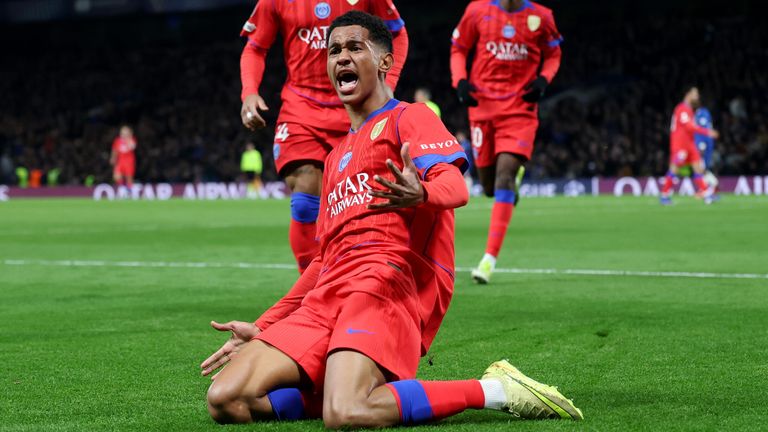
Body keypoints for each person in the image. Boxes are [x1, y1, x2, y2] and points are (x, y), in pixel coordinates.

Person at [201, 12, 582, 428]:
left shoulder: (409, 117)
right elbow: (323, 262)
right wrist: (264, 324)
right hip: (329, 294)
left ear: (385, 61)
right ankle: (342, 390)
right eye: (333, 50)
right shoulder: (335, 157)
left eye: (355, 47)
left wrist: (423, 193)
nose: (341, 57)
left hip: (384, 283)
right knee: (225, 399)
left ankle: (494, 389)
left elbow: (454, 186)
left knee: (345, 414)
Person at [239, 0, 408, 273]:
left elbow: (397, 34)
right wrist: (249, 92)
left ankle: (356, 274)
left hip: (356, 108)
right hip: (301, 108)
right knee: (305, 197)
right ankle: (312, 289)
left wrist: (387, 83)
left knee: (358, 204)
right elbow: (255, 47)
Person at [450, 0, 563, 284]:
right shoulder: (477, 11)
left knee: (505, 175)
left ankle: (488, 259)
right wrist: (460, 81)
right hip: (482, 109)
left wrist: (543, 80)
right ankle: (513, 183)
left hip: (520, 110)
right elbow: (459, 48)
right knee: (489, 187)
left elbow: (553, 54)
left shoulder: (541, 16)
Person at [660, 86, 719, 205]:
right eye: (695, 94)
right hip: (680, 145)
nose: (697, 96)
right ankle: (664, 195)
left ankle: (706, 193)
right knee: (674, 169)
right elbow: (689, 127)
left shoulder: (689, 110)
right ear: (688, 94)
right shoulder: (681, 109)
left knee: (698, 169)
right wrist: (707, 132)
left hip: (690, 144)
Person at [694, 105, 719, 193]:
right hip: (703, 142)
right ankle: (712, 185)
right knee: (702, 168)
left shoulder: (702, 113)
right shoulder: (699, 113)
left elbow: (703, 128)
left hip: (703, 143)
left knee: (700, 168)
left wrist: (702, 145)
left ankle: (706, 188)